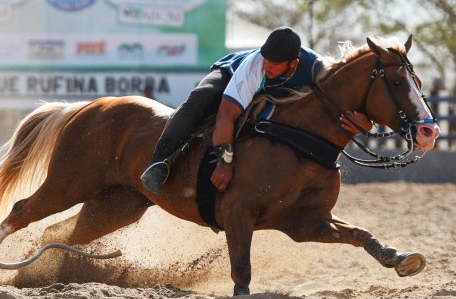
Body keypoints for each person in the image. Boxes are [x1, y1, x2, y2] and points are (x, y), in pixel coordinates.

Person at [141, 26, 371, 195]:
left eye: (275, 62)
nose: (267, 65)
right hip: (230, 73)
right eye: (266, 58)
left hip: (274, 95)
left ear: (294, 63)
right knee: (199, 100)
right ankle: (158, 162)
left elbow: (342, 102)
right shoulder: (255, 67)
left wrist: (365, 122)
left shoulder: (318, 69)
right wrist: (224, 164)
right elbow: (226, 114)